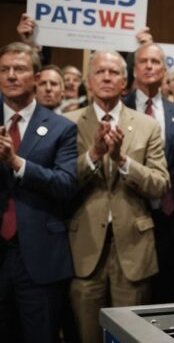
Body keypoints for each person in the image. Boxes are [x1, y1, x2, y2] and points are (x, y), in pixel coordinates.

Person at [64, 50, 170, 343]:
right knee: (87, 335)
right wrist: (94, 155)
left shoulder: (147, 125)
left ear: (125, 81)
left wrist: (123, 161)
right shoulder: (67, 122)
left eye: (114, 72)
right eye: (100, 72)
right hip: (84, 247)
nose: (107, 77)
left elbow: (160, 185)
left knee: (130, 337)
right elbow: (60, 184)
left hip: (134, 249)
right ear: (89, 80)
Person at [0, 42, 77, 343]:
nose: (11, 76)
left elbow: (66, 184)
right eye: (4, 70)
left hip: (38, 259)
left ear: (35, 76)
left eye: (19, 69)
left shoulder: (61, 127)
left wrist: (17, 163)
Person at [123, 42, 174, 304]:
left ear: (164, 69)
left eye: (155, 62)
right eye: (143, 61)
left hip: (172, 217)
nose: (149, 66)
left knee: (169, 292)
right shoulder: (120, 108)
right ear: (133, 68)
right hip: (132, 212)